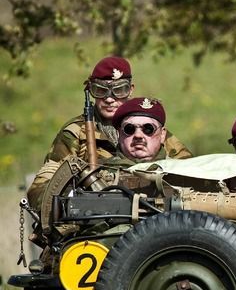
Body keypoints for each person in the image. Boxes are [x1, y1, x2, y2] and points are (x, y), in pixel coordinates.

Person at [28, 97, 171, 209]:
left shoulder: (182, 172)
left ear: (162, 134)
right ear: (119, 133)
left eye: (148, 129)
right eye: (129, 129)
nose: (138, 135)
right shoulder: (92, 174)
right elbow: (46, 199)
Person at [44, 56, 192, 163]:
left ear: (130, 90)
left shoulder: (146, 126)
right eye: (101, 91)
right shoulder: (76, 133)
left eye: (119, 90)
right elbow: (47, 182)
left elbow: (189, 166)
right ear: (91, 91)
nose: (109, 99)